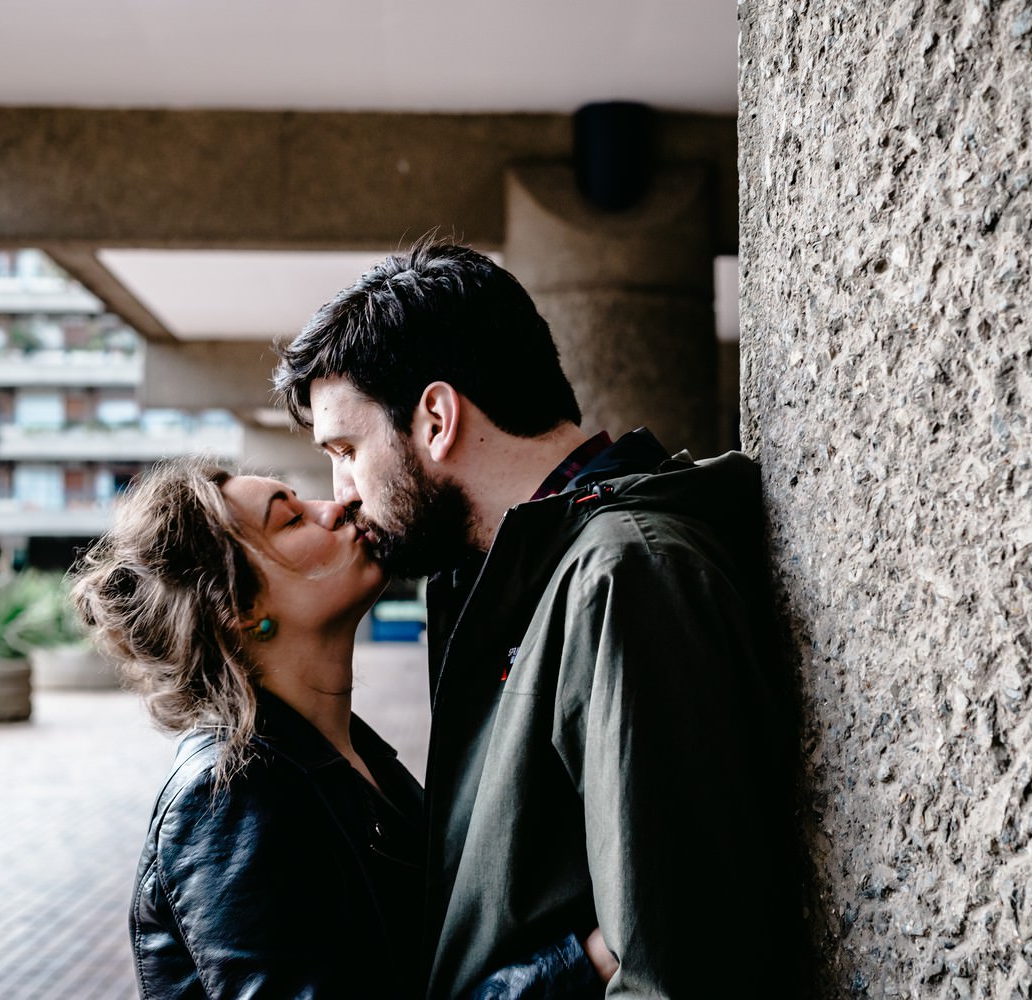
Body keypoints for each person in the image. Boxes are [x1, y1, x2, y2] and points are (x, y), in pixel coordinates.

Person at [273, 242, 802, 998]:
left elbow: (675, 971)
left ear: (436, 419)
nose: (343, 492)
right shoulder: (527, 575)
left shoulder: (623, 576)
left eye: (347, 449)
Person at [70, 457, 607, 1000]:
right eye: (291, 519)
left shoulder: (344, 753)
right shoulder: (229, 795)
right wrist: (580, 965)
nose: (336, 507)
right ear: (238, 605)